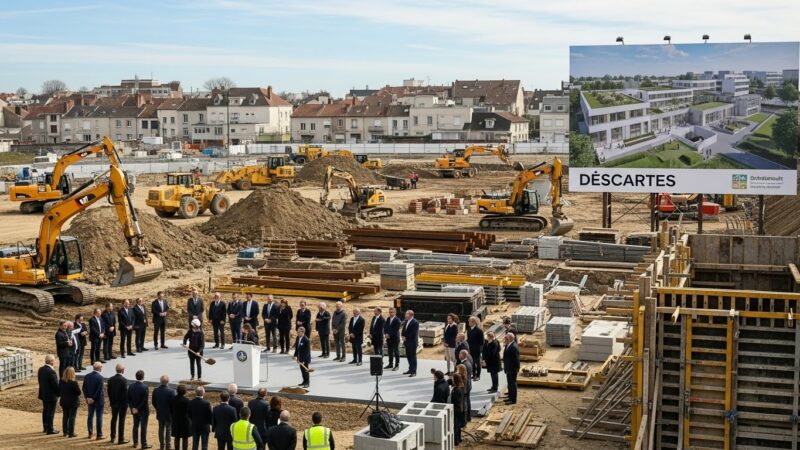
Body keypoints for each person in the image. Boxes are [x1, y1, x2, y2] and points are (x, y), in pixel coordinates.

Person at [128, 370, 152, 449]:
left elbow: (129, 399)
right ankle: (144, 444)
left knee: (135, 426)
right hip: (143, 411)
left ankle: (135, 443)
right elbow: (144, 400)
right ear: (143, 377)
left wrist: (133, 408)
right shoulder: (145, 387)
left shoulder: (131, 386)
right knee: (143, 427)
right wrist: (138, 408)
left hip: (134, 410)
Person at [152, 374, 177, 450]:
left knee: (161, 429)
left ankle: (162, 446)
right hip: (169, 414)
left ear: (160, 381)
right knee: (168, 430)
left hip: (160, 413)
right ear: (168, 382)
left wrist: (158, 408)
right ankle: (168, 446)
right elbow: (174, 404)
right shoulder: (172, 391)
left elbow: (153, 402)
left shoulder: (156, 390)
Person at [107, 363, 129, 445]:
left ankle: (112, 437)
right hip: (122, 404)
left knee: (114, 419)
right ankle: (121, 439)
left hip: (113, 403)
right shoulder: (124, 380)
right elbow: (125, 394)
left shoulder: (111, 379)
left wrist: (111, 401)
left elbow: (108, 392)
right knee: (121, 420)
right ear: (123, 370)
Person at [82, 361, 105, 439]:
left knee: (90, 416)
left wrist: (88, 397)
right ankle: (99, 434)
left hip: (89, 400)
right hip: (98, 400)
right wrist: (93, 398)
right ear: (99, 368)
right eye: (101, 366)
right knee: (99, 417)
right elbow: (99, 391)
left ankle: (90, 433)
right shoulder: (100, 378)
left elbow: (84, 388)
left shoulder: (87, 376)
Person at [38, 354, 60, 435]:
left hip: (44, 394)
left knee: (45, 411)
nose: (54, 361)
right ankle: (50, 429)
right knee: (50, 412)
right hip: (51, 396)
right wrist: (59, 393)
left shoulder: (41, 369)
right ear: (50, 361)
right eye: (53, 360)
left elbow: (40, 381)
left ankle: (45, 427)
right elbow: (55, 386)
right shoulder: (51, 372)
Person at [188, 386, 212, 450]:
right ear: (203, 393)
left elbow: (189, 414)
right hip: (205, 427)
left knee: (195, 445)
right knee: (204, 446)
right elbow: (210, 415)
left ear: (195, 393)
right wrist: (210, 424)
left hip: (195, 426)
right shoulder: (207, 403)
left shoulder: (191, 402)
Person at [59, 366, 81, 438]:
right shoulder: (74, 382)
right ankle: (71, 433)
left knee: (65, 416)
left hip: (64, 401)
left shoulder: (61, 381)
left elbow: (60, 390)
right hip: (73, 402)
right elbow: (79, 392)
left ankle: (65, 432)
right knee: (72, 417)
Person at [172, 385, 191, 450]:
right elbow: (189, 412)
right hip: (185, 422)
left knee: (177, 437)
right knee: (185, 438)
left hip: (176, 421)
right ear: (185, 392)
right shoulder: (187, 401)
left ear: (177, 391)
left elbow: (171, 410)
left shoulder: (173, 399)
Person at [503, 333, 520, 405]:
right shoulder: (508, 345)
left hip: (512, 368)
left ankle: (513, 400)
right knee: (509, 383)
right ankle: (510, 397)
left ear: (510, 338)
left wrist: (517, 368)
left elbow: (517, 359)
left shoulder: (513, 347)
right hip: (508, 367)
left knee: (512, 384)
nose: (504, 339)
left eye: (506, 338)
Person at [402, 310, 419, 377]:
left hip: (412, 342)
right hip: (406, 342)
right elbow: (404, 330)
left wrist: (405, 337)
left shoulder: (415, 322)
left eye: (406, 314)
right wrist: (402, 335)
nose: (405, 315)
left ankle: (414, 371)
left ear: (411, 315)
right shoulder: (406, 321)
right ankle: (410, 369)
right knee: (408, 356)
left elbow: (413, 333)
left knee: (413, 357)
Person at [450, 373, 466, 446]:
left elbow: (456, 401)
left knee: (455, 426)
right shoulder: (461, 387)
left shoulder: (457, 390)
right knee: (458, 426)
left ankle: (456, 441)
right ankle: (458, 439)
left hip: (457, 410)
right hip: (460, 409)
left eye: (453, 378)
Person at [467, 316, 484, 381]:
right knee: (472, 362)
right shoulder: (469, 329)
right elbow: (468, 339)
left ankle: (478, 376)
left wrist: (480, 350)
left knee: (478, 363)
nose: (468, 322)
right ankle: (473, 374)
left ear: (474, 322)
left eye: (470, 321)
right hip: (470, 349)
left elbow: (482, 342)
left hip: (477, 350)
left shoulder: (479, 331)